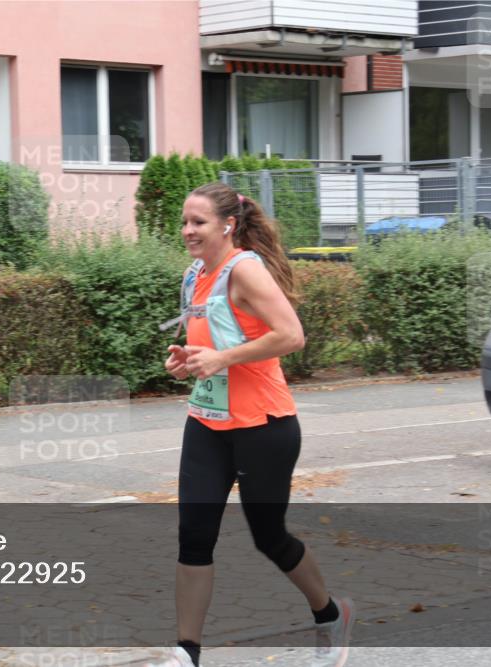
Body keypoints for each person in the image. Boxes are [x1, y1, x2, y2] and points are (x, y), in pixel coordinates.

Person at [146, 183, 355, 667]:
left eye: (197, 222)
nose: (187, 231)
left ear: (227, 224)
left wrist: (222, 358)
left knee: (269, 536)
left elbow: (292, 336)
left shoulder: (246, 270)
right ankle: (187, 652)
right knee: (194, 535)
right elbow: (209, 342)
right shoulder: (196, 274)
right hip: (207, 421)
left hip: (264, 424)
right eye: (184, 222)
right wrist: (188, 361)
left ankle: (330, 614)